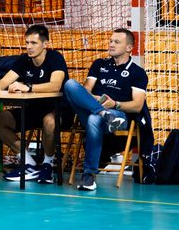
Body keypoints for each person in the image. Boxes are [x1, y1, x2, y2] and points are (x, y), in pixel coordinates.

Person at [63, 28, 150, 191]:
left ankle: (89, 176)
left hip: (119, 116)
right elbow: (86, 91)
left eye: (116, 42)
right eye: (110, 41)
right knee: (70, 84)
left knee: (94, 119)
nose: (111, 44)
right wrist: (99, 103)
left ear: (129, 48)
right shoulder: (99, 64)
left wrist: (114, 104)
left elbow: (137, 105)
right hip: (95, 109)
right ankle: (103, 113)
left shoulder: (137, 73)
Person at [0, 24, 72, 184]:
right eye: (27, 42)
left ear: (45, 44)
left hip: (60, 110)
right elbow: (4, 82)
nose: (29, 47)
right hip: (33, 110)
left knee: (49, 121)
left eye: (33, 43)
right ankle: (29, 164)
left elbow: (55, 85)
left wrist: (28, 87)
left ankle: (48, 165)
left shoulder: (55, 58)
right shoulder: (24, 59)